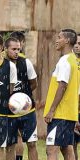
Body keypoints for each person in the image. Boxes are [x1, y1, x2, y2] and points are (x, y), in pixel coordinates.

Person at [44, 29, 78, 160]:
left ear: (67, 41)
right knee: (67, 148)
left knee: (51, 149)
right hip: (70, 114)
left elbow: (62, 86)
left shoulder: (65, 61)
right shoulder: (75, 61)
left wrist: (52, 110)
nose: (56, 40)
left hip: (60, 114)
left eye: (59, 37)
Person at [5, 37, 38, 160]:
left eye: (18, 49)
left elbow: (34, 83)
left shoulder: (25, 62)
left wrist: (23, 98)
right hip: (9, 112)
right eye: (13, 49)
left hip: (28, 110)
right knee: (10, 144)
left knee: (32, 143)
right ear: (5, 49)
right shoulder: (1, 63)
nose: (16, 52)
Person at [73, 33, 80, 160]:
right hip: (73, 110)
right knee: (71, 145)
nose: (77, 46)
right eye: (76, 43)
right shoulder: (69, 62)